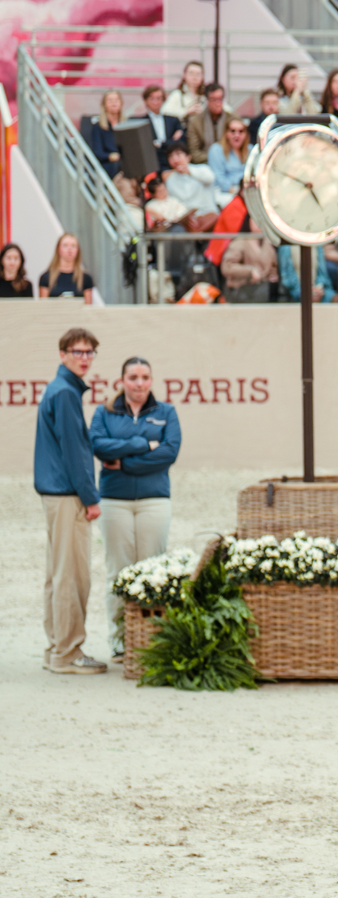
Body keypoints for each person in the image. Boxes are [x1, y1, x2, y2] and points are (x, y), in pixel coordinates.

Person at [89, 355, 180, 639]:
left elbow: (169, 453)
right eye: (133, 378)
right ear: (122, 381)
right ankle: (120, 639)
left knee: (153, 569)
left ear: (151, 381)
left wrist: (124, 462)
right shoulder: (104, 413)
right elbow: (100, 447)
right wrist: (142, 444)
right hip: (115, 501)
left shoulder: (167, 412)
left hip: (155, 501)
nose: (139, 383)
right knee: (119, 571)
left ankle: (151, 637)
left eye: (144, 377)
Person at [37, 327, 106, 673]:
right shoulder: (65, 393)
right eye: (77, 351)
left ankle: (56, 647)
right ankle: (68, 653)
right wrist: (91, 497)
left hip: (56, 494)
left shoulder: (61, 388)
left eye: (89, 352)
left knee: (57, 573)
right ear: (62, 354)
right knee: (72, 575)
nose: (84, 358)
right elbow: (75, 452)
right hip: (67, 495)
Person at [38, 233, 95, 302]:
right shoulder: (46, 277)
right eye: (65, 246)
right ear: (58, 249)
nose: (69, 249)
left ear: (78, 250)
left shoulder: (86, 278)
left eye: (73, 246)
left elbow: (87, 308)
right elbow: (43, 307)